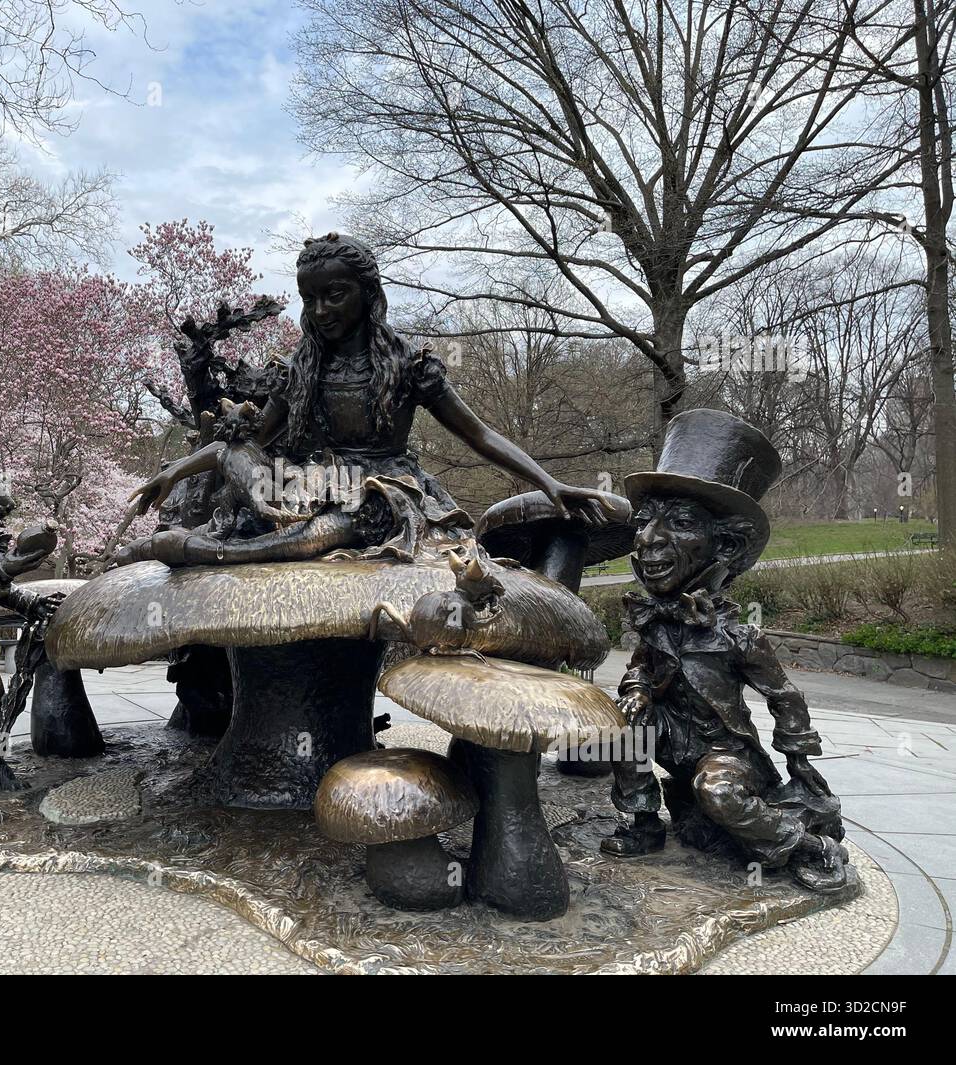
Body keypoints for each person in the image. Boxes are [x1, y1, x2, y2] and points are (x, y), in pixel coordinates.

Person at [117, 233, 613, 567]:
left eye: (334, 295)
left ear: (366, 292)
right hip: (310, 484)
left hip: (379, 487)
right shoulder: (301, 369)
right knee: (243, 462)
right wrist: (172, 473)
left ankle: (198, 551)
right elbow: (245, 446)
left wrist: (550, 483)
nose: (321, 310)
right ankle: (200, 543)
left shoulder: (409, 367)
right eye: (310, 299)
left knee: (317, 536)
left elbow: (480, 434)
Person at [600, 410, 850, 893]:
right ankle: (643, 822)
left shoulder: (740, 636)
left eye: (681, 522)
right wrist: (637, 692)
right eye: (645, 522)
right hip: (672, 736)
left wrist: (798, 762)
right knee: (623, 725)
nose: (649, 540)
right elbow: (640, 670)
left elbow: (784, 695)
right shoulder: (655, 621)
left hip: (724, 750)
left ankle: (803, 845)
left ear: (726, 545)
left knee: (716, 790)